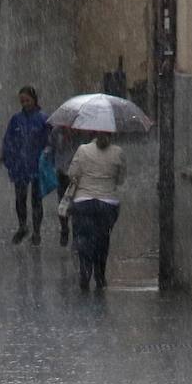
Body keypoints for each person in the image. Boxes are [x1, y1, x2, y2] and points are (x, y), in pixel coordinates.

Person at [67, 131, 126, 291]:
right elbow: (120, 180)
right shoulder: (118, 152)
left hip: (83, 202)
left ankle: (85, 272)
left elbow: (72, 174)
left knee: (84, 238)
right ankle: (100, 276)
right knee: (102, 239)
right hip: (107, 204)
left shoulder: (82, 150)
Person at [2, 86, 51, 245]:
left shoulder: (43, 119)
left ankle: (36, 231)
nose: (25, 104)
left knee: (36, 200)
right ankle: (22, 226)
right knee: (20, 198)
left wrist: (47, 159)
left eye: (27, 100)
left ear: (34, 99)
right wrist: (9, 160)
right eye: (22, 101)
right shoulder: (16, 119)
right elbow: (8, 140)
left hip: (37, 165)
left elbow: (49, 141)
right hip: (20, 165)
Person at [49, 125, 81, 246]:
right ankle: (64, 228)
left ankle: (76, 236)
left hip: (76, 173)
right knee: (62, 203)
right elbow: (51, 147)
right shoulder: (56, 131)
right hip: (61, 172)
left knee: (76, 205)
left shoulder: (81, 132)